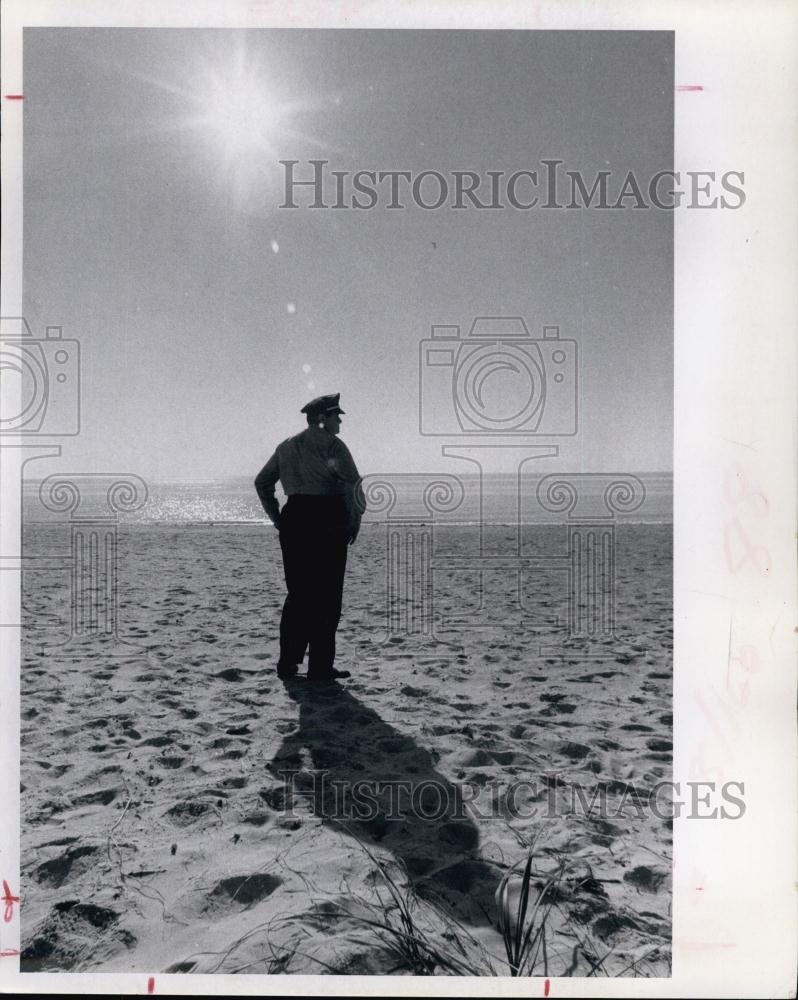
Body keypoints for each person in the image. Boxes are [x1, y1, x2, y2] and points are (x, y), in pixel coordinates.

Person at [254, 393, 363, 683]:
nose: (339, 420)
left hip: (296, 518)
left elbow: (262, 482)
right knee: (327, 598)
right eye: (335, 415)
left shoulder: (286, 445)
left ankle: (288, 664)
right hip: (327, 519)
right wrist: (355, 519)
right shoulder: (333, 444)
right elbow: (353, 484)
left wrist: (277, 516)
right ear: (322, 418)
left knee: (299, 595)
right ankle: (319, 668)